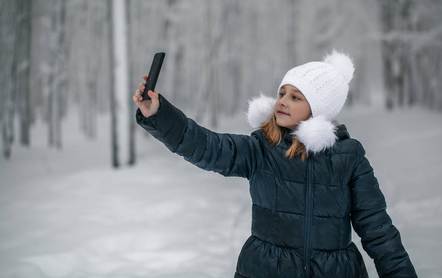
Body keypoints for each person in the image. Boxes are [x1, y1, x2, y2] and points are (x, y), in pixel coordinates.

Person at [133, 50, 417, 278]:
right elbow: (208, 146)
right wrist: (159, 114)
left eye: (295, 97)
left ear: (320, 109)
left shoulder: (349, 156)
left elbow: (377, 227)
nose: (282, 101)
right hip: (267, 268)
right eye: (282, 93)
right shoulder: (261, 148)